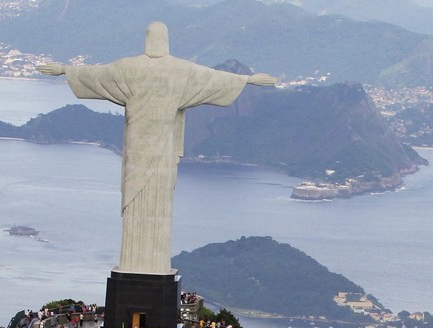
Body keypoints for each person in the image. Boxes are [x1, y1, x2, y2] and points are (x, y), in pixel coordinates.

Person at [37, 22, 278, 275]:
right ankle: (147, 264)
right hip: (161, 152)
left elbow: (97, 75)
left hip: (137, 151)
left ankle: (137, 263)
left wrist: (65, 70)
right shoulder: (180, 71)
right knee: (157, 205)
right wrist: (248, 80)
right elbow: (213, 79)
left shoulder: (129, 68)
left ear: (147, 39)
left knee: (139, 202)